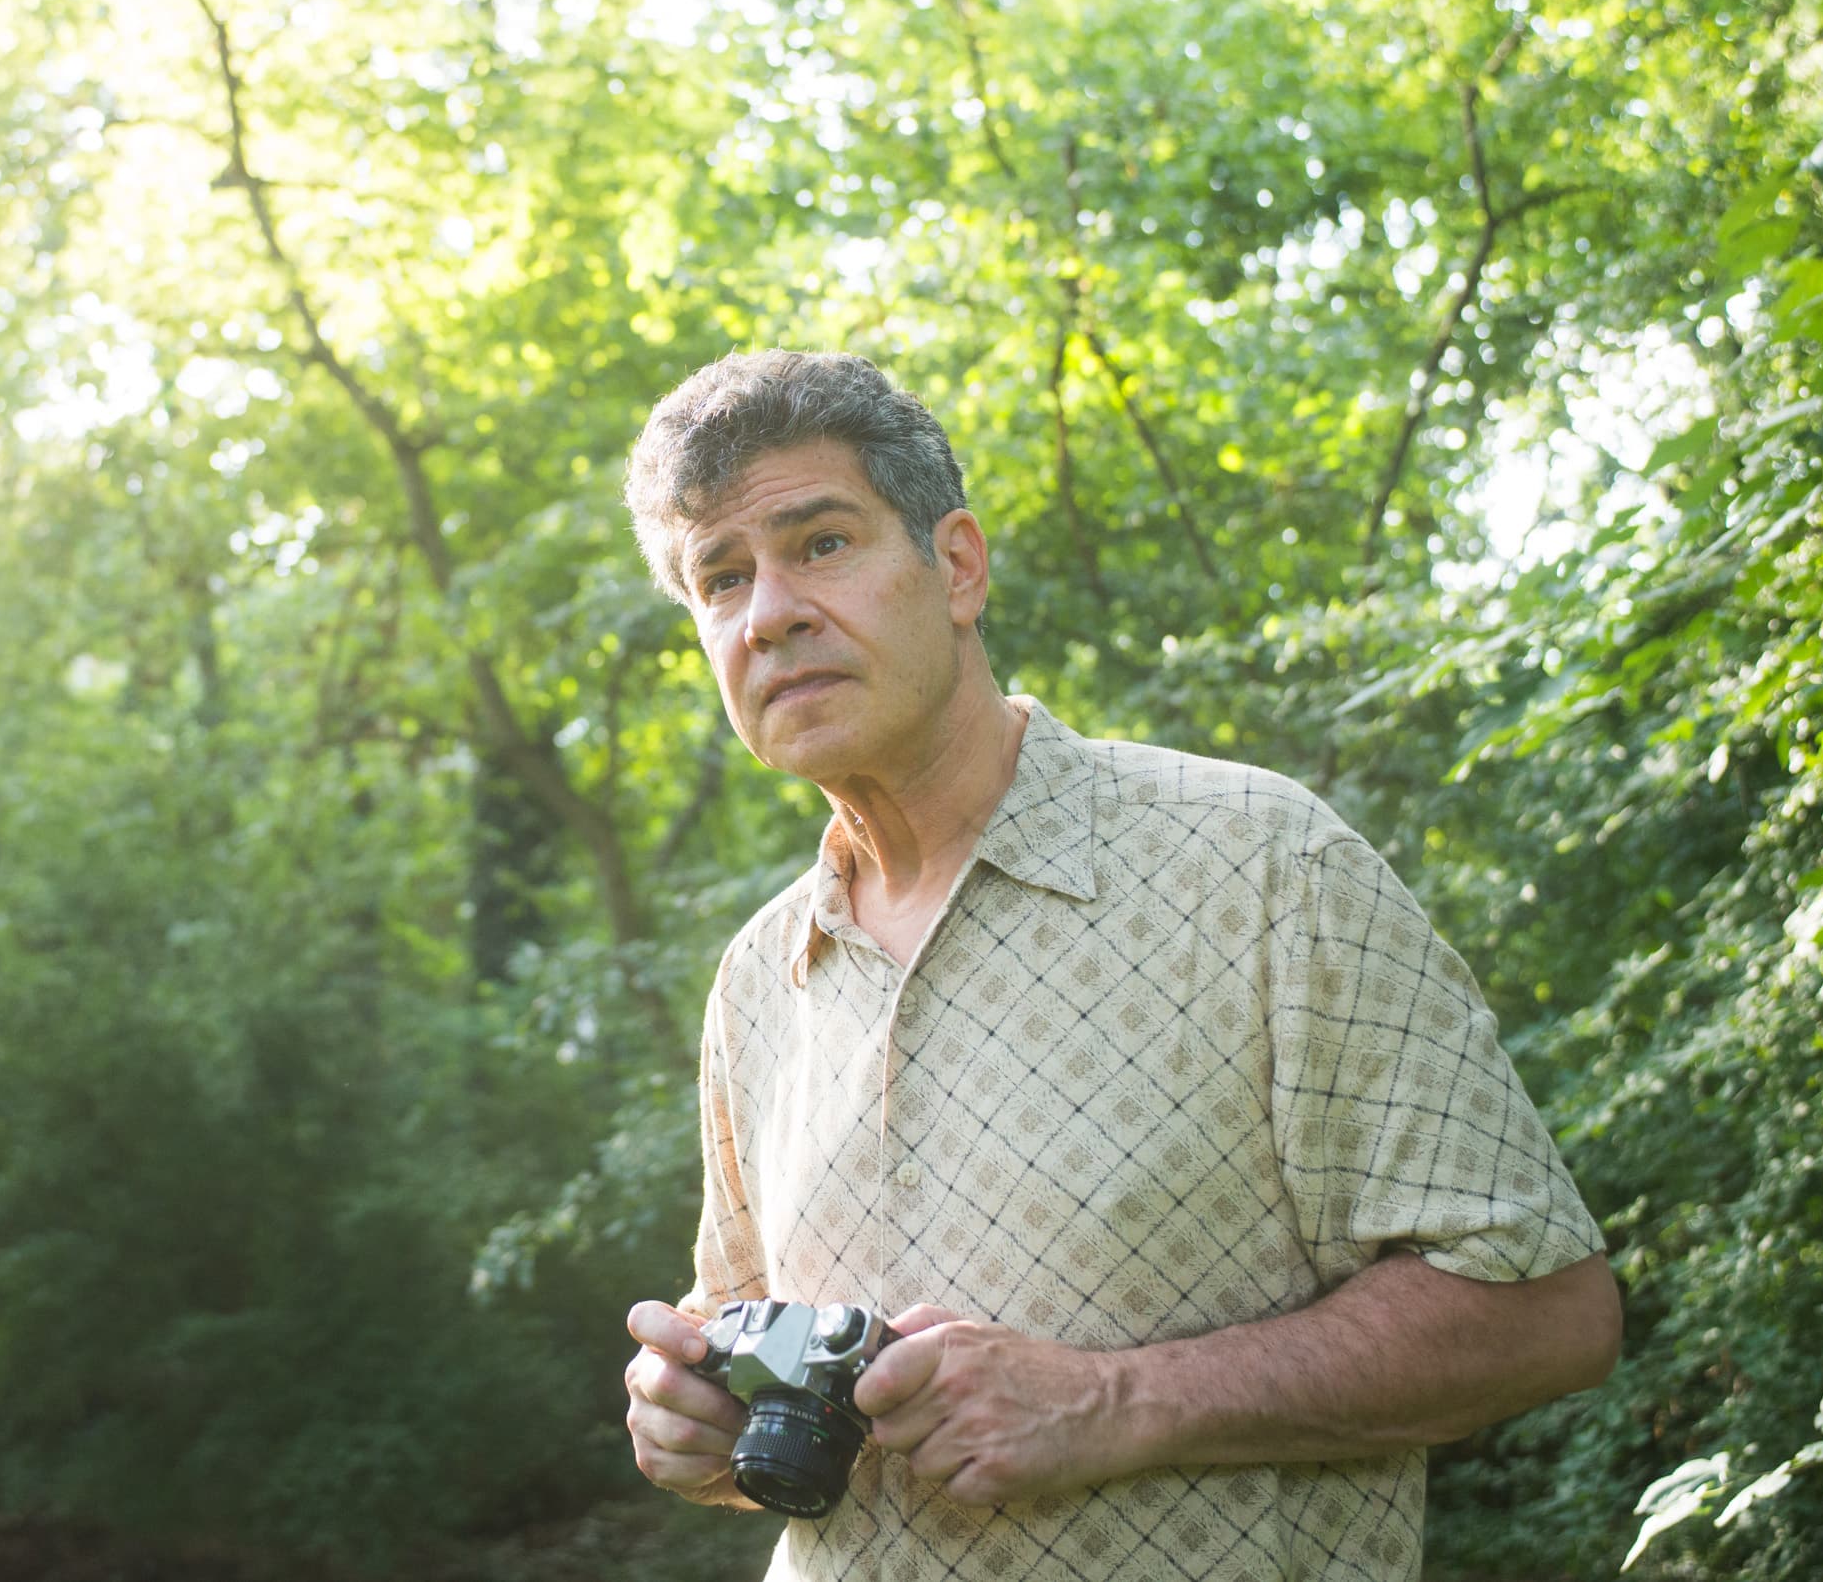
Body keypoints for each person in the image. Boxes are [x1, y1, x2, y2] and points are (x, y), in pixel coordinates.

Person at [616, 350, 1620, 1581]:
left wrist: (1114, 1404)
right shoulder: (761, 977)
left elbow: (1551, 1313)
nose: (769, 611)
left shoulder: (1263, 864)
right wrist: (696, 1425)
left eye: (819, 543)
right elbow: (745, 1350)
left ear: (958, 566)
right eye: (722, 577)